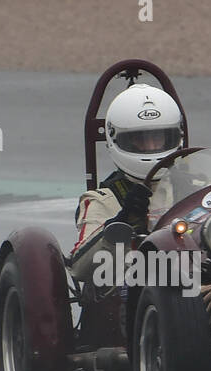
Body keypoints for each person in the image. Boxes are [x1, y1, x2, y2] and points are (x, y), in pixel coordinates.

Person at [71, 84, 183, 266]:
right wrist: (121, 224)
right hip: (132, 286)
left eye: (158, 138)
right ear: (116, 138)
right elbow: (79, 267)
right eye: (140, 139)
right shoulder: (103, 200)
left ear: (174, 136)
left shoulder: (193, 187)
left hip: (198, 278)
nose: (152, 146)